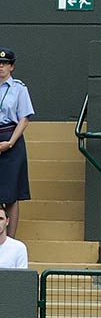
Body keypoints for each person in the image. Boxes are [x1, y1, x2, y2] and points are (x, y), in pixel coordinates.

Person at [0, 46, 33, 247]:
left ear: (11, 67)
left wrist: (10, 143)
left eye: (5, 64)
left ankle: (9, 241)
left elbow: (24, 118)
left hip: (11, 140)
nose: (1, 67)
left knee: (11, 194)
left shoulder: (19, 88)